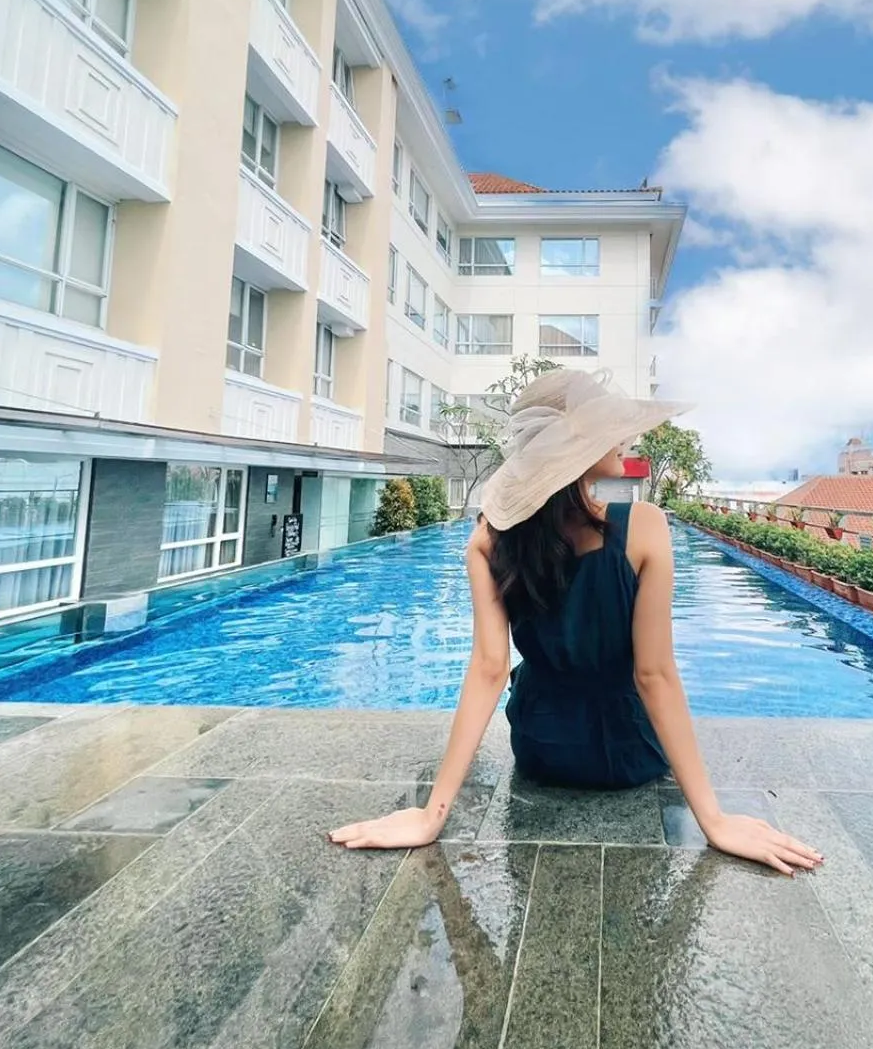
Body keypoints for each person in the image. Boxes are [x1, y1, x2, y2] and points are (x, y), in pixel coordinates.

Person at [330, 368, 822, 876]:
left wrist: (431, 816)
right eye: (606, 428)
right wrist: (713, 821)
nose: (623, 438)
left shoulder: (489, 541)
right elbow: (653, 675)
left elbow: (488, 670)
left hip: (541, 750)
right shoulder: (645, 527)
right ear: (577, 450)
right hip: (632, 754)